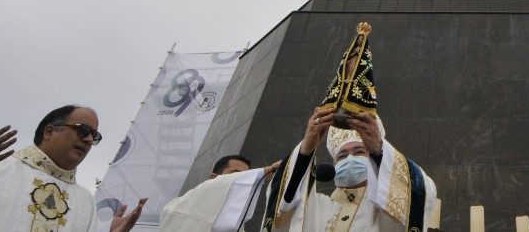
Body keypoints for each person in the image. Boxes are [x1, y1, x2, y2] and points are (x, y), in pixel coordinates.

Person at [0, 106, 146, 232]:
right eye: (82, 130)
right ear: (49, 131)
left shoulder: (85, 201)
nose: (89, 139)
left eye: (95, 136)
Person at [264, 106, 437, 231]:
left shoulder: (384, 207)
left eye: (359, 151)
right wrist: (305, 152)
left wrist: (378, 150)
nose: (350, 158)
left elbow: (420, 193)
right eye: (342, 155)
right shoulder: (317, 208)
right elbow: (282, 210)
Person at [159, 154, 281, 232]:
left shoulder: (237, 224)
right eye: (235, 173)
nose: (242, 180)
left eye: (245, 176)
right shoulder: (177, 207)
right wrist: (266, 171)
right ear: (214, 177)